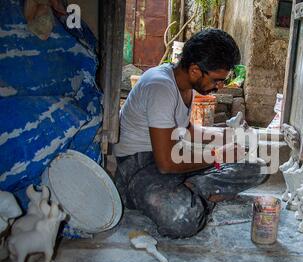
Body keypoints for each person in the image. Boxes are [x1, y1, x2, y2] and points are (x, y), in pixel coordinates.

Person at [113, 28, 267, 239]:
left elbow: (188, 131)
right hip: (138, 168)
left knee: (256, 167)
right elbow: (166, 163)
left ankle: (191, 189)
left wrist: (230, 134)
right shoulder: (160, 87)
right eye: (216, 80)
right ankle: (189, 194)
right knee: (183, 219)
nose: (219, 86)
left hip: (171, 156)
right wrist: (218, 156)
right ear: (195, 70)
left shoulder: (185, 85)